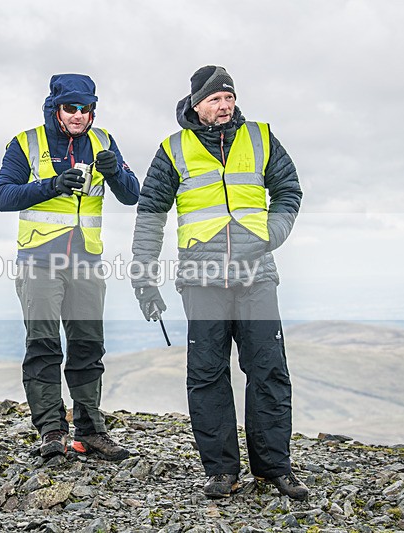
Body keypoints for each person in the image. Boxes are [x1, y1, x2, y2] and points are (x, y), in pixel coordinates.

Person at [130, 66, 307, 500]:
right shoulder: (172, 149)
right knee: (207, 374)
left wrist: (270, 235)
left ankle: (274, 468)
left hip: (256, 273)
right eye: (215, 100)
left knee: (268, 370)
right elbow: (150, 215)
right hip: (200, 277)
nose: (225, 106)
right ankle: (222, 471)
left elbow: (289, 191)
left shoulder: (262, 136)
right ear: (196, 105)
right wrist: (143, 279)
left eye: (229, 98)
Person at [0, 74, 139, 461]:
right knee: (43, 346)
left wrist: (116, 173)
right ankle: (51, 431)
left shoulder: (103, 141)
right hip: (39, 260)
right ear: (55, 107)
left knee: (89, 347)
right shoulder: (26, 143)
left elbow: (132, 195)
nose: (79, 115)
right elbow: (1, 197)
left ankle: (90, 431)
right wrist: (53, 184)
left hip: (87, 260)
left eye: (86, 108)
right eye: (71, 108)